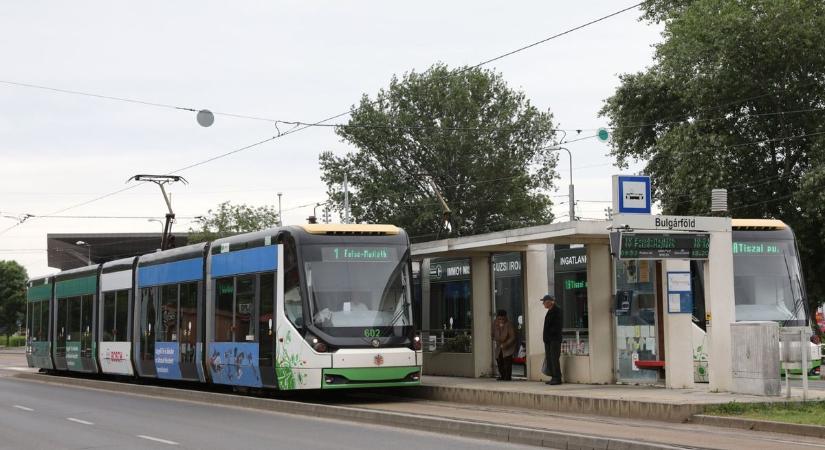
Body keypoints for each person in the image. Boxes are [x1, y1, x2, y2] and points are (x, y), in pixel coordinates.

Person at [542, 294, 563, 385]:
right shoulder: (550, 311)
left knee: (554, 359)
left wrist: (550, 335)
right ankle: (553, 377)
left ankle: (557, 378)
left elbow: (556, 326)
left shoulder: (557, 310)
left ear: (549, 302)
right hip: (548, 340)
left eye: (544, 302)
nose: (543, 304)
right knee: (550, 359)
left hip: (554, 340)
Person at [491, 309, 517, 381]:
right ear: (497, 318)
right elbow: (492, 333)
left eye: (503, 319)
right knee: (499, 360)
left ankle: (507, 377)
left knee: (507, 361)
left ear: (505, 317)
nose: (501, 320)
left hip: (508, 345)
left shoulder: (509, 324)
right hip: (499, 345)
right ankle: (502, 375)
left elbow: (513, 337)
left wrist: (506, 344)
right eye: (499, 319)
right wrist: (494, 337)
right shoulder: (494, 323)